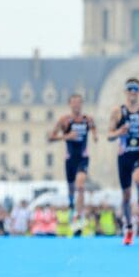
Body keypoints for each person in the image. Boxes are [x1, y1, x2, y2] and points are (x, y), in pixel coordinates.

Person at [107, 77, 139, 245]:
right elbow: (108, 135)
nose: (133, 92)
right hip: (124, 156)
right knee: (126, 196)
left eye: (136, 89)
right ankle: (129, 228)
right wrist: (119, 132)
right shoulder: (117, 112)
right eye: (130, 89)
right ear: (125, 92)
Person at [47, 93, 97, 222]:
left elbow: (93, 127)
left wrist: (95, 136)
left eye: (79, 102)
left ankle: (79, 215)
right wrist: (66, 137)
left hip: (83, 157)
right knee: (71, 187)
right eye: (74, 102)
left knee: (80, 186)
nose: (77, 105)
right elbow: (51, 137)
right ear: (70, 104)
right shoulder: (64, 120)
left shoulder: (88, 119)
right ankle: (71, 204)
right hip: (70, 158)